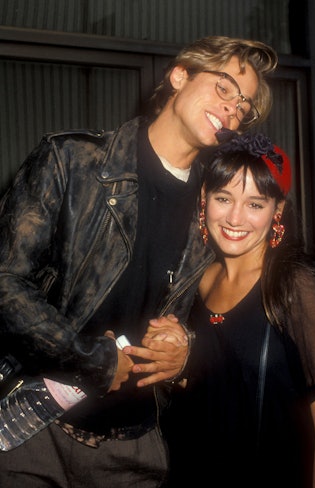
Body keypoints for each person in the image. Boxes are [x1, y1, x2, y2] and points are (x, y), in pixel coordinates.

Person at [0, 36, 278, 487]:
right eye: (224, 88)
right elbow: (5, 281)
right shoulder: (71, 160)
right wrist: (88, 359)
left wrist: (187, 348)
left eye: (244, 106)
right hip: (34, 429)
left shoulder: (218, 208)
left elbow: (216, 316)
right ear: (180, 75)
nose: (234, 109)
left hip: (134, 446)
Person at [142, 132, 315, 487]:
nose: (235, 218)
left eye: (255, 204)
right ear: (204, 201)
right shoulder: (196, 280)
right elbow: (216, 381)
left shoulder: (296, 284)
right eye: (224, 198)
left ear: (277, 211)